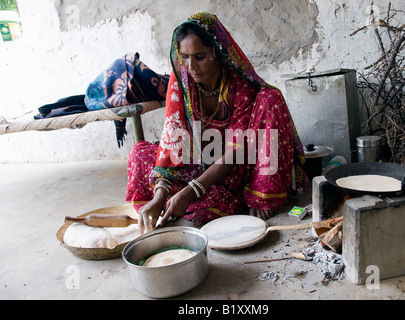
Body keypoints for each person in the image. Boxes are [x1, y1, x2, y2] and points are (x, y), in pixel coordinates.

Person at [126, 12, 308, 233]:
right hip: (200, 159)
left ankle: (255, 194)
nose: (191, 66)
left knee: (270, 98)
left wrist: (191, 191)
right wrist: (160, 193)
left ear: (217, 52)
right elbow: (172, 143)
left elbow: (237, 151)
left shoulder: (239, 85)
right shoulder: (181, 81)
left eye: (200, 56)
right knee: (139, 152)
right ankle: (179, 202)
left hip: (239, 164)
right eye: (184, 56)